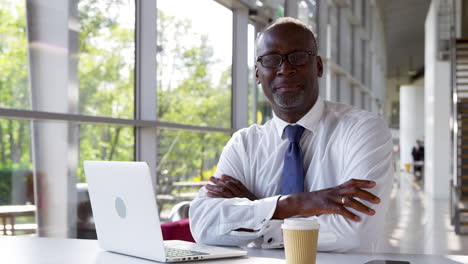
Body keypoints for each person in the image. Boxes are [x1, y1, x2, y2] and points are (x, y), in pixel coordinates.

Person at [189, 17, 393, 253]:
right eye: (271, 60)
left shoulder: (362, 130)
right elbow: (204, 225)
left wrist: (258, 210)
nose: (285, 68)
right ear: (257, 73)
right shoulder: (244, 144)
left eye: (298, 57)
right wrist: (296, 203)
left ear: (318, 66)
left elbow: (354, 232)